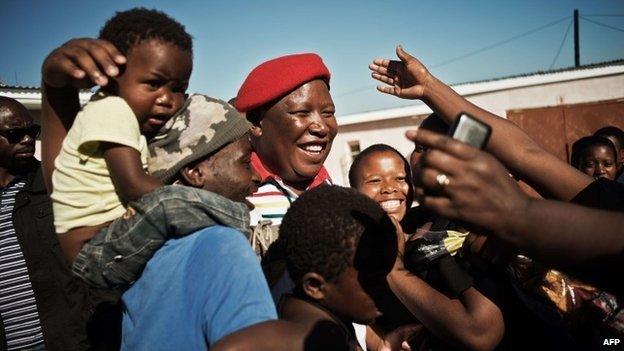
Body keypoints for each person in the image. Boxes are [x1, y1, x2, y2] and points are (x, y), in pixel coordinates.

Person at [46, 8, 240, 290]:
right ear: (112, 78)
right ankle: (244, 224)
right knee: (170, 204)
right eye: (153, 83)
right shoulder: (113, 110)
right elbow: (133, 185)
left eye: (178, 88)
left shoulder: (120, 115)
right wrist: (210, 208)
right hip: (96, 249)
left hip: (104, 247)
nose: (168, 100)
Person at [0, 97, 90, 350]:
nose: (28, 139)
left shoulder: (54, 185)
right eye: (15, 133)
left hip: (65, 341)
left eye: (32, 131)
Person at [277, 185, 406, 351]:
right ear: (315, 286)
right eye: (373, 281)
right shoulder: (316, 343)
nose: (387, 289)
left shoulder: (328, 328)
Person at [234, 53, 337, 256]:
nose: (322, 127)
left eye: (328, 113)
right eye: (301, 112)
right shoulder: (237, 196)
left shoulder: (334, 192)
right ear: (255, 124)